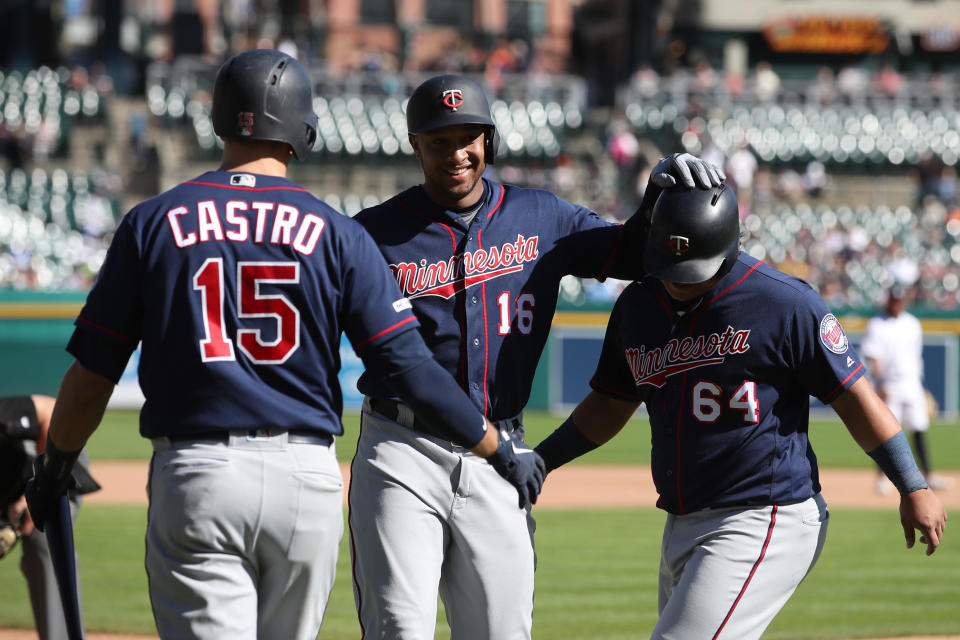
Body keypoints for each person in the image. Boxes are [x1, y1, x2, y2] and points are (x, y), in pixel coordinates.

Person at [23, 50, 545, 640]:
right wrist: (496, 445)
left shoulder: (153, 222)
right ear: (305, 130)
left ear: (219, 121)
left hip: (199, 470)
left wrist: (57, 462)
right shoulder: (337, 231)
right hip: (305, 479)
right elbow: (409, 366)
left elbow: (93, 374)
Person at [349, 72, 725, 639]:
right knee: (399, 629)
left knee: (502, 631)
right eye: (439, 141)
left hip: (503, 451)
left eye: (468, 137)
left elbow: (634, 255)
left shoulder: (541, 217)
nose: (457, 153)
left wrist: (654, 203)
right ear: (415, 145)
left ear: (489, 140)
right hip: (402, 448)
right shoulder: (373, 233)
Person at [534, 184, 947, 640]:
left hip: (765, 516)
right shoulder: (638, 305)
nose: (677, 279)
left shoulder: (784, 303)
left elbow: (856, 401)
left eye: (692, 269)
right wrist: (541, 460)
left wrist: (913, 485)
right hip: (681, 520)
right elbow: (610, 405)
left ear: (728, 250)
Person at [1, 395, 99, 640]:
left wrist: (43, 488)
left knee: (44, 543)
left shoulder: (5, 414)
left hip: (52, 464)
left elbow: (51, 412)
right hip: (7, 486)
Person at [861, 285, 951, 492]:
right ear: (889, 300)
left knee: (919, 429)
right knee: (886, 433)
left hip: (912, 384)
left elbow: (916, 358)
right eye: (894, 299)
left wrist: (922, 387)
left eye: (900, 300)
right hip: (889, 384)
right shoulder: (877, 324)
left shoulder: (912, 324)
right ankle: (882, 478)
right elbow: (873, 356)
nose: (897, 303)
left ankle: (929, 474)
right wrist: (880, 383)